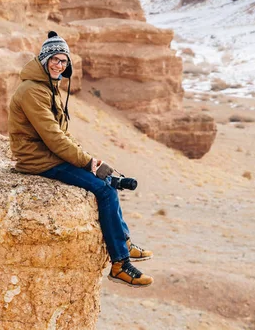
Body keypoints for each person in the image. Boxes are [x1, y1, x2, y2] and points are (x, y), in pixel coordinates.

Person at [8, 31, 153, 288]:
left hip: (48, 154)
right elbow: (53, 138)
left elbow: (60, 135)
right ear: (44, 59)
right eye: (54, 59)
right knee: (104, 191)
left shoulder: (48, 87)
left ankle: (125, 243)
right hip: (38, 159)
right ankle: (120, 263)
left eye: (64, 61)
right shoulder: (33, 91)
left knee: (108, 181)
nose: (59, 65)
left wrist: (90, 160)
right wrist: (87, 163)